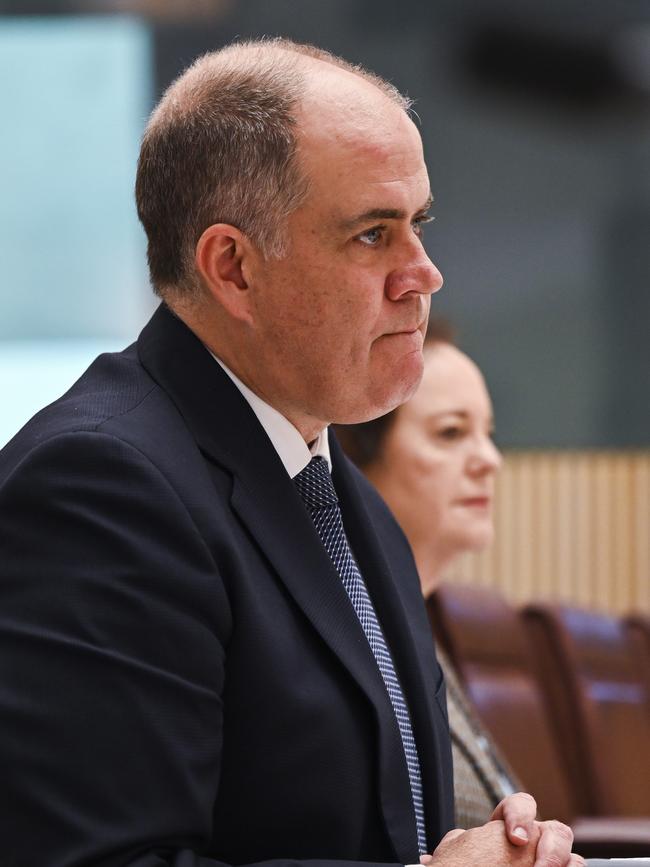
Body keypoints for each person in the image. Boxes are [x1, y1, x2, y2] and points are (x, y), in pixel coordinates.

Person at [0, 38, 581, 867]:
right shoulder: (101, 486)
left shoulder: (336, 486)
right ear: (233, 268)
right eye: (374, 235)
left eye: (418, 224)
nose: (425, 273)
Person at [335, 318, 523, 829]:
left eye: (488, 434)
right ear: (354, 458)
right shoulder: (353, 639)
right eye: (451, 433)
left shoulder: (418, 622)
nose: (490, 460)